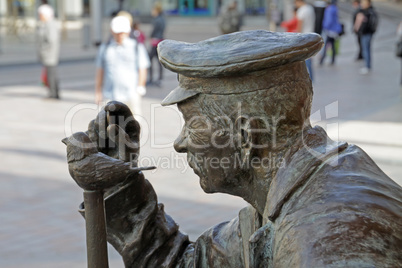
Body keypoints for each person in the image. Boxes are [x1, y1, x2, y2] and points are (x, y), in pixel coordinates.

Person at [64, 30, 402, 267]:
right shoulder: (288, 192)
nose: (180, 143)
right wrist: (121, 188)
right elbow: (184, 264)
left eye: (192, 125)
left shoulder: (327, 238)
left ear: (246, 135)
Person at [95, 16, 150, 117]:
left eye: (122, 32)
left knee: (134, 125)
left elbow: (142, 68)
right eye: (117, 32)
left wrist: (140, 87)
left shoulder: (136, 47)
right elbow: (100, 70)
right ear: (112, 31)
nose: (120, 35)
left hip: (131, 94)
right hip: (110, 95)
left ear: (128, 31)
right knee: (109, 128)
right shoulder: (105, 48)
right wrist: (98, 91)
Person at [36, 4, 60, 99]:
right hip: (48, 54)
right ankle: (53, 92)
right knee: (50, 74)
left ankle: (53, 93)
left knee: (51, 75)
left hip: (50, 54)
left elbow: (52, 40)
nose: (39, 16)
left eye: (40, 14)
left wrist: (45, 51)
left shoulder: (50, 24)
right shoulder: (46, 24)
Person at [354, 0, 378, 75]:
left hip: (367, 33)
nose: (362, 4)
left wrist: (370, 31)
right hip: (363, 33)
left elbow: (372, 23)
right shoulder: (362, 11)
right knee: (365, 49)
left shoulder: (370, 12)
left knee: (366, 49)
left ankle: (367, 66)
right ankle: (367, 65)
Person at [295, 0, 316, 81]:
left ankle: (307, 77)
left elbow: (299, 25)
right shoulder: (310, 8)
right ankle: (311, 77)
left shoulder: (301, 11)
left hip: (303, 37)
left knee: (304, 59)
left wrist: (297, 37)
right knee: (309, 57)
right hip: (311, 35)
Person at [147, 2, 166, 87]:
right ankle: (159, 78)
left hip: (155, 41)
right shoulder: (162, 19)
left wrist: (150, 36)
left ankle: (150, 79)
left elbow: (154, 31)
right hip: (160, 40)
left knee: (149, 59)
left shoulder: (157, 20)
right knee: (159, 61)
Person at [319, 0, 342, 65]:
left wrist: (325, 27)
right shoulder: (335, 8)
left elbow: (328, 21)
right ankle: (333, 60)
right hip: (335, 30)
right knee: (333, 45)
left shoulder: (329, 9)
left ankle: (322, 60)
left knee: (325, 45)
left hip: (329, 31)